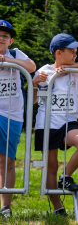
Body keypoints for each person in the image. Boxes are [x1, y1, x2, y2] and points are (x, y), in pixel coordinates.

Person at [33, 33, 78, 215]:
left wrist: (71, 67)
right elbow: (32, 101)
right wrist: (34, 84)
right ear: (58, 53)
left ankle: (66, 177)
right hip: (47, 124)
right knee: (51, 166)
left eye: (76, 51)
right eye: (72, 51)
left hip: (69, 122)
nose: (75, 54)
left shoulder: (75, 70)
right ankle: (58, 209)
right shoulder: (44, 71)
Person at [0, 20, 36, 218]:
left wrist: (7, 61)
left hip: (12, 115)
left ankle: (5, 207)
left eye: (5, 36)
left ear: (11, 40)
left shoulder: (15, 54)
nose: (1, 38)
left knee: (7, 161)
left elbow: (31, 66)